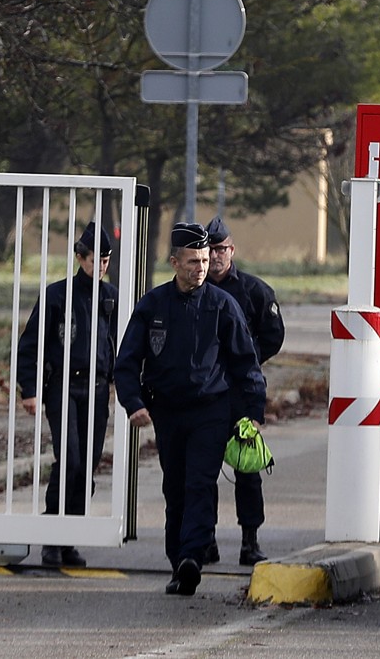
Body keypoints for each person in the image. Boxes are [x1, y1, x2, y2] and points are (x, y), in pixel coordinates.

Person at [114, 222, 266, 596]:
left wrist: (253, 411)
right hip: (167, 411)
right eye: (192, 261)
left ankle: (192, 558)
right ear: (174, 262)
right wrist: (133, 404)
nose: (201, 267)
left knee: (200, 483)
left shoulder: (222, 305)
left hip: (210, 411)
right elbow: (127, 361)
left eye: (204, 259)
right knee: (176, 487)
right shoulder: (153, 305)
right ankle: (177, 559)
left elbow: (246, 363)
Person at [16, 221, 118, 568]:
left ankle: (71, 537)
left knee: (86, 466)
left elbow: (121, 344)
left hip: (99, 387)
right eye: (95, 259)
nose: (101, 266)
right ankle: (52, 537)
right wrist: (29, 389)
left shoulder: (111, 297)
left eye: (106, 260)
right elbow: (31, 344)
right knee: (70, 461)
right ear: (79, 257)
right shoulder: (57, 295)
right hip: (64, 386)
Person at [204, 215, 286, 566]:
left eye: (220, 249)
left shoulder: (255, 291)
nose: (215, 255)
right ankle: (204, 538)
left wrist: (247, 362)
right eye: (210, 249)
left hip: (240, 394)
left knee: (247, 470)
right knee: (203, 471)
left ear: (232, 250)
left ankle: (249, 540)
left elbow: (273, 336)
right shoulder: (194, 289)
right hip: (205, 394)